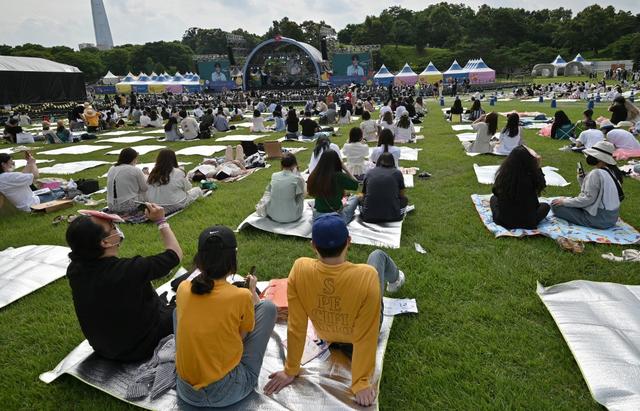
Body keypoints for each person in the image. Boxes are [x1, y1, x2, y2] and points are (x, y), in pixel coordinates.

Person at [263, 214, 405, 407]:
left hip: (328, 335)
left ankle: (396, 278)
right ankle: (397, 279)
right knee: (377, 255)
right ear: (349, 241)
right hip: (352, 339)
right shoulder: (367, 276)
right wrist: (361, 382)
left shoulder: (299, 268)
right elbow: (367, 333)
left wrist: (291, 369)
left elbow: (296, 325)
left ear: (313, 245)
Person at [65, 203, 182, 361]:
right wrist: (161, 221)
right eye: (112, 227)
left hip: (105, 348)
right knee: (188, 302)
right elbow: (174, 255)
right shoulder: (127, 270)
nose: (116, 229)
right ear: (105, 242)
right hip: (140, 347)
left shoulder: (75, 270)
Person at [176, 226, 276, 408]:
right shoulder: (241, 296)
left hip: (186, 391)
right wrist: (252, 292)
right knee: (268, 308)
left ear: (200, 260)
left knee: (177, 312)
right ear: (233, 259)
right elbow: (241, 338)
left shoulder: (183, 288)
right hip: (226, 392)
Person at [551, 140, 624, 229]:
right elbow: (594, 195)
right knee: (567, 202)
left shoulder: (596, 173)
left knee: (555, 205)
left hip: (599, 219)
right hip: (612, 218)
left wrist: (564, 202)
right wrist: (583, 180)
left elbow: (587, 199)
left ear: (599, 158)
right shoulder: (613, 171)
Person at [490, 146, 550, 229]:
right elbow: (542, 185)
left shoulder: (503, 175)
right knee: (545, 206)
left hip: (504, 220)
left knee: (493, 199)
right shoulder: (533, 176)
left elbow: (495, 192)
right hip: (528, 222)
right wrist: (537, 166)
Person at [0, 152, 64, 211]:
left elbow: (22, 175)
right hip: (32, 204)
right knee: (62, 193)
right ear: (3, 164)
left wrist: (29, 163)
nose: (12, 163)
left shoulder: (4, 177)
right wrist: (33, 163)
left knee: (55, 190)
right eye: (10, 161)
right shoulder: (8, 176)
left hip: (25, 203)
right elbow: (35, 176)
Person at [308, 150, 359, 223]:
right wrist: (346, 170)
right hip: (337, 218)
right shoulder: (339, 176)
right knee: (355, 198)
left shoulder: (314, 175)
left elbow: (311, 192)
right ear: (337, 162)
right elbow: (356, 184)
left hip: (317, 217)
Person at [146, 149, 203, 215]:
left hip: (155, 206)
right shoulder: (178, 172)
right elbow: (188, 188)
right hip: (174, 204)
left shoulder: (153, 173)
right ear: (173, 159)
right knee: (197, 190)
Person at [360, 152, 408, 223]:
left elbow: (363, 194)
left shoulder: (369, 172)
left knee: (359, 197)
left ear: (378, 161)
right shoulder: (397, 173)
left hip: (368, 216)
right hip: (394, 217)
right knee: (405, 199)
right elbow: (402, 195)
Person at [262, 153, 305, 223]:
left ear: (281, 164)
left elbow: (268, 191)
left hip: (273, 214)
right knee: (300, 195)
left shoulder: (274, 175)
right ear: (294, 165)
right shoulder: (297, 179)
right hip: (292, 216)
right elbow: (300, 196)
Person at [106, 148, 149, 213]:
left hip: (111, 205)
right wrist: (146, 176)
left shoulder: (111, 168)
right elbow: (144, 188)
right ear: (133, 159)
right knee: (147, 189)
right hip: (128, 206)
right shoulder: (135, 170)